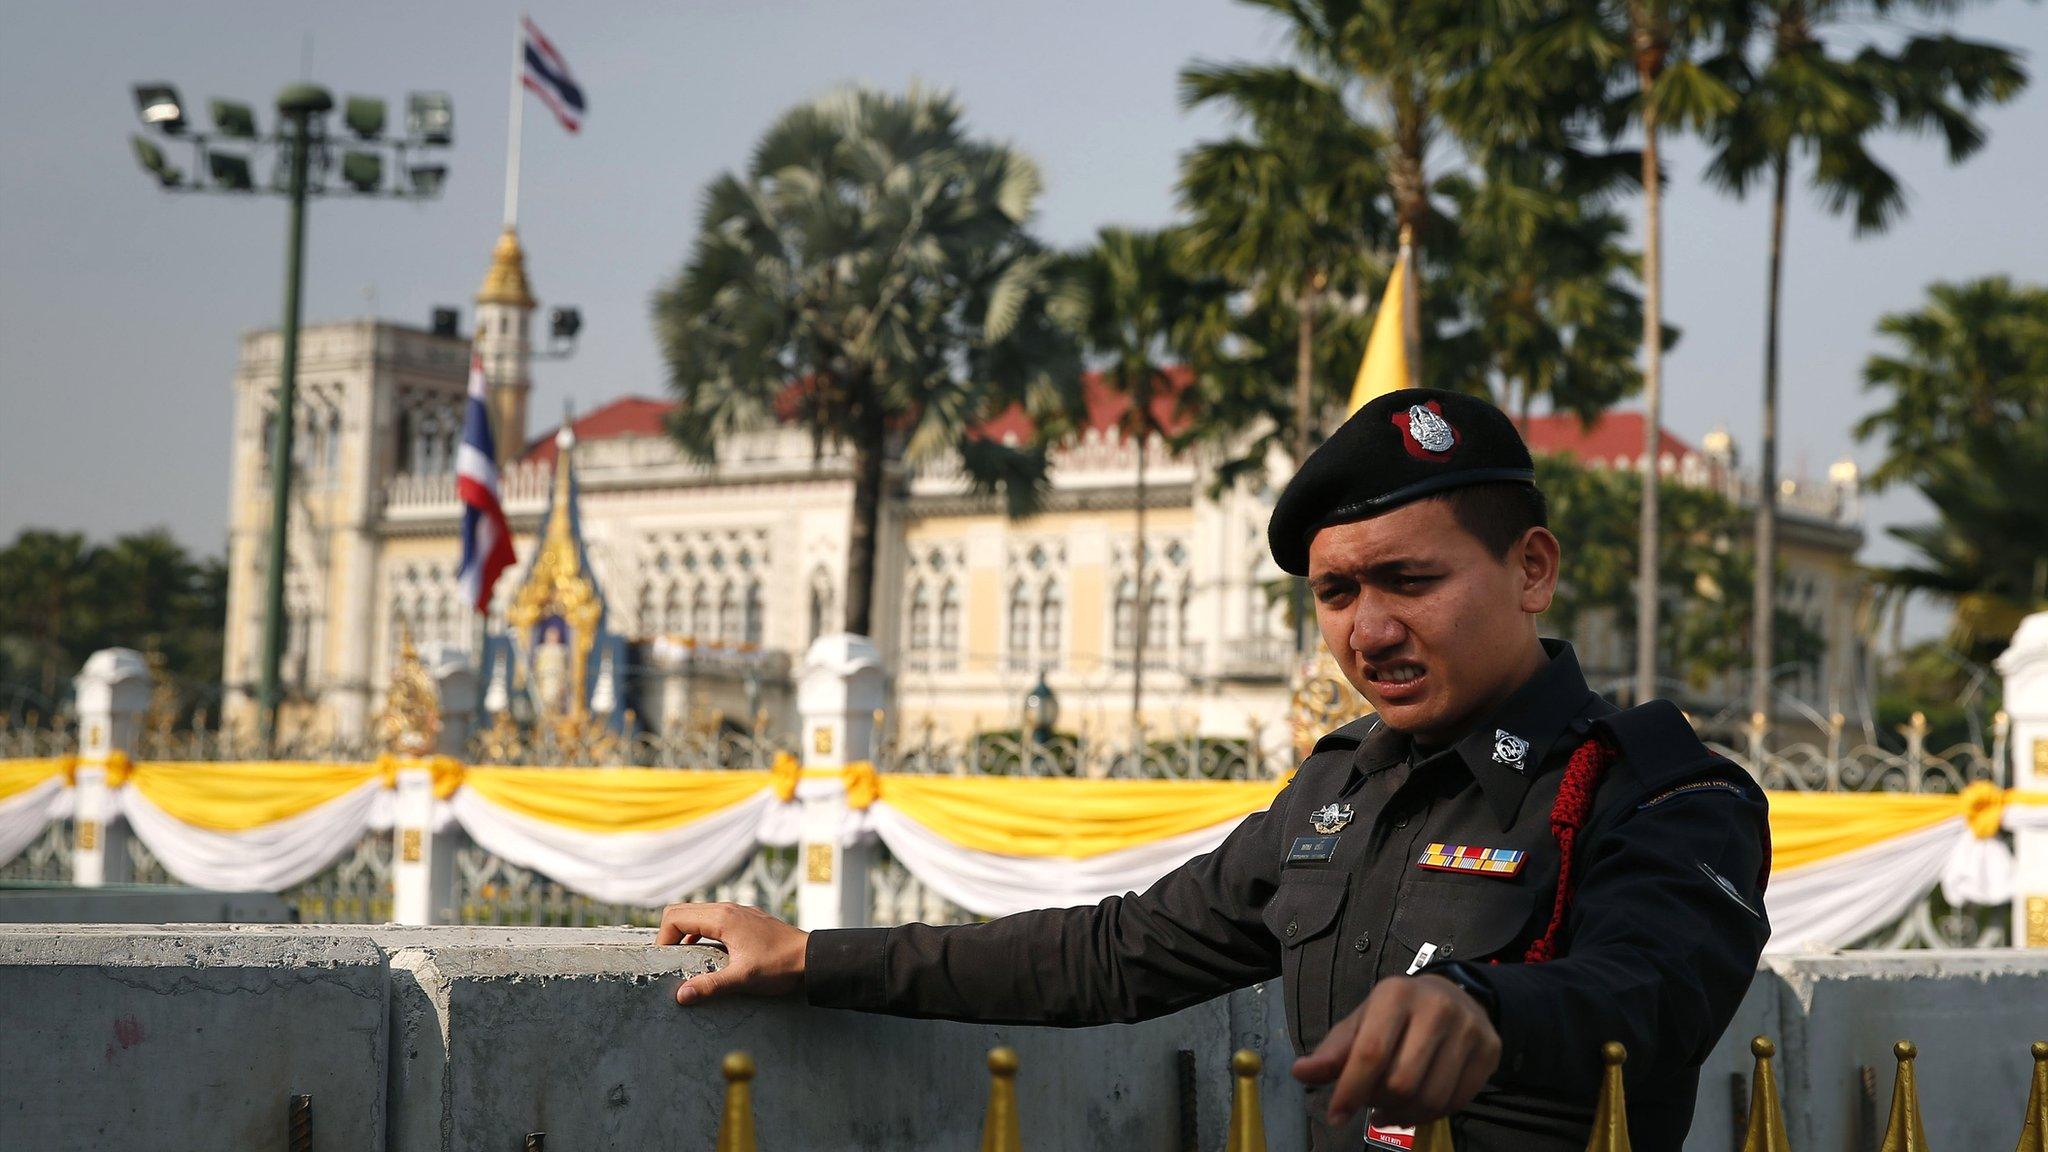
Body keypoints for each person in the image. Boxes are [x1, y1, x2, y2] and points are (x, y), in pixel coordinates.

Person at [655, 388, 1771, 1151]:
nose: (1367, 630)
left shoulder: (1660, 792)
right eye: (1335, 595)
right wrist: (812, 955)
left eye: (1408, 581)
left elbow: (1653, 988)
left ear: (1530, 570)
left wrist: (1485, 1007)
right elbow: (1112, 954)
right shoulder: (1338, 792)